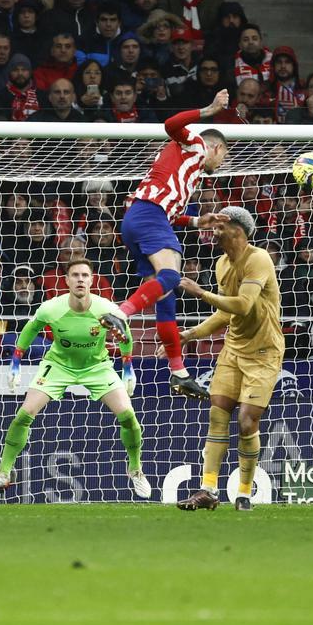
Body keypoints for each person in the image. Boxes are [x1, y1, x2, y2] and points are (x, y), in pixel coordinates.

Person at [0, 258, 150, 499]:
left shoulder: (107, 309)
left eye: (85, 275)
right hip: (58, 365)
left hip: (97, 366)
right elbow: (31, 329)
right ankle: (4, 471)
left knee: (129, 417)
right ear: (67, 280)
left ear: (92, 280)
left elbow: (125, 334)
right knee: (24, 415)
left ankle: (136, 469)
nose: (80, 279)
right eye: (75, 275)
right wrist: (15, 361)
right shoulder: (51, 308)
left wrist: (127, 366)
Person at [100, 90, 231, 400]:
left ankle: (179, 372)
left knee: (166, 298)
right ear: (217, 147)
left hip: (141, 218)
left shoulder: (188, 168)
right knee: (173, 276)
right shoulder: (196, 146)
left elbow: (169, 211)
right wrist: (209, 108)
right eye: (225, 156)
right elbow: (171, 123)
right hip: (148, 215)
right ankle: (122, 312)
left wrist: (197, 222)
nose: (223, 162)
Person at [174, 207, 283, 512]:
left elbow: (244, 305)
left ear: (238, 229)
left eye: (220, 225)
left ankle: (244, 492)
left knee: (247, 421)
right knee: (217, 416)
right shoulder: (222, 263)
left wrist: (201, 293)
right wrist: (190, 334)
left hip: (264, 352)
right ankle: (208, 489)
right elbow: (225, 313)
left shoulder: (258, 259)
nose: (214, 230)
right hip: (233, 349)